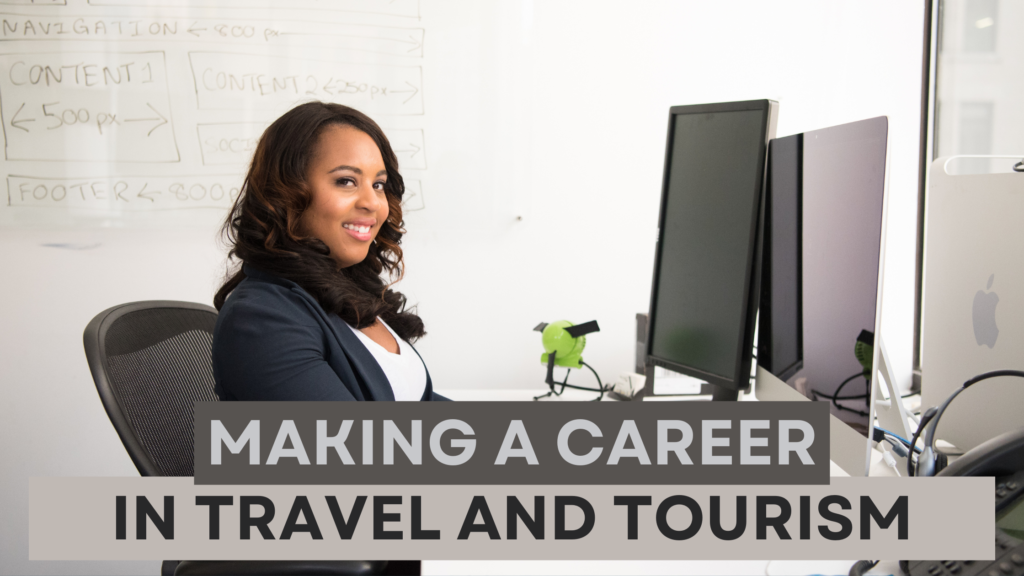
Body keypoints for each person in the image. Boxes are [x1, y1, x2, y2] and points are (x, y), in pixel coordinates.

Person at [211, 101, 447, 402]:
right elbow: (353, 445)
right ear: (286, 193)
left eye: (378, 184)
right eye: (346, 181)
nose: (373, 202)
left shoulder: (351, 293)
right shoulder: (260, 319)